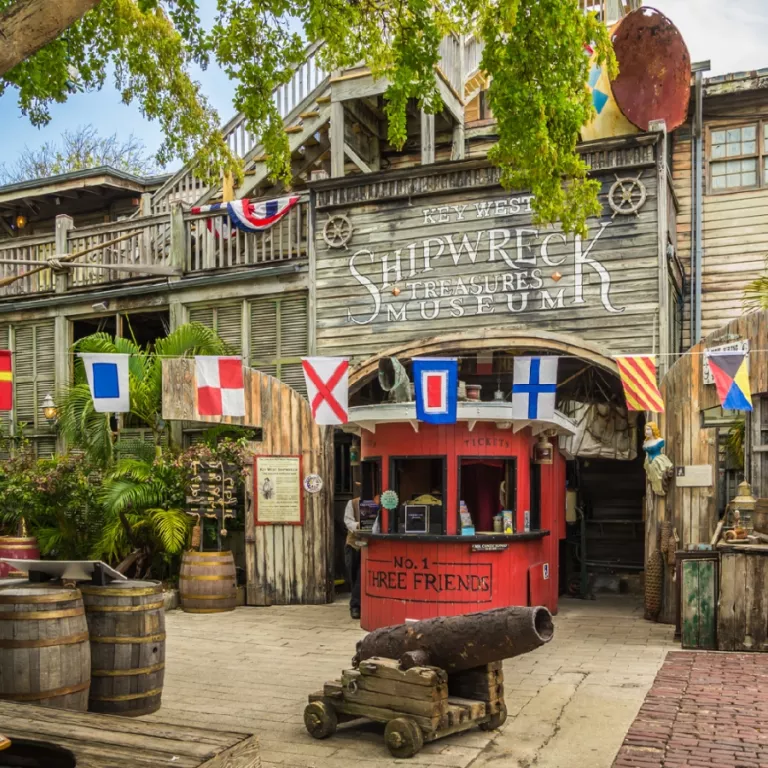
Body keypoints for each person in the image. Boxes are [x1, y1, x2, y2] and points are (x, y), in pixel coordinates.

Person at [344, 492, 381, 620]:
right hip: (353, 544)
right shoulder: (353, 503)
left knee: (361, 575)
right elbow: (348, 521)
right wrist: (358, 525)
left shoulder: (381, 504)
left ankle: (355, 606)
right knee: (353, 574)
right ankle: (357, 602)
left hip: (370, 545)